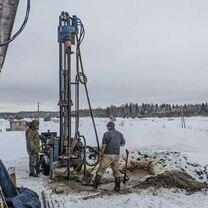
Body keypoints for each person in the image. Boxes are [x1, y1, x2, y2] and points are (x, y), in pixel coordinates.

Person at [94, 121, 125, 191]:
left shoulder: (106, 134)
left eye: (107, 127)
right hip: (116, 155)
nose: (107, 128)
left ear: (109, 127)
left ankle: (95, 185)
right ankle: (117, 187)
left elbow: (104, 146)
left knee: (101, 170)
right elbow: (123, 144)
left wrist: (101, 154)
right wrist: (116, 145)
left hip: (108, 154)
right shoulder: (120, 134)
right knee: (116, 170)